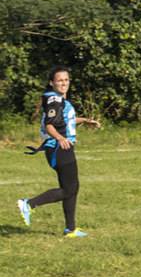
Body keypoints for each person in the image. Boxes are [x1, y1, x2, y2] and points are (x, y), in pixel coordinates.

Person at [17, 66, 100, 237]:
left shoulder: (59, 100)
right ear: (51, 82)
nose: (63, 83)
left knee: (71, 187)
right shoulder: (54, 100)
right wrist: (61, 138)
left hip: (62, 147)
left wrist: (83, 120)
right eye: (59, 80)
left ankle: (70, 229)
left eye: (66, 80)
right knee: (70, 189)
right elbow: (49, 125)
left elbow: (64, 120)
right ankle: (29, 204)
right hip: (59, 148)